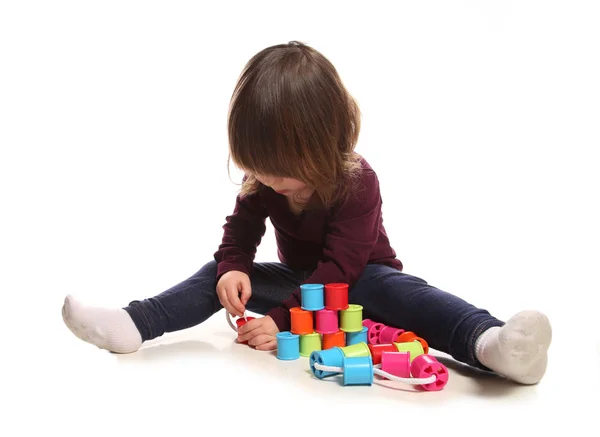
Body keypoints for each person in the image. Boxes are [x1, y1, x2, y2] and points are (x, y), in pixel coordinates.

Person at [61, 41, 551, 385]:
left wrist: (280, 320)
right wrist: (233, 267)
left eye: (281, 173)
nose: (268, 182)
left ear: (323, 148)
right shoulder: (264, 181)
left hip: (361, 281)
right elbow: (241, 229)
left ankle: (492, 344)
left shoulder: (358, 181)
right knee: (216, 272)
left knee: (411, 297)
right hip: (300, 283)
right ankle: (134, 324)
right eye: (259, 170)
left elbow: (340, 268)